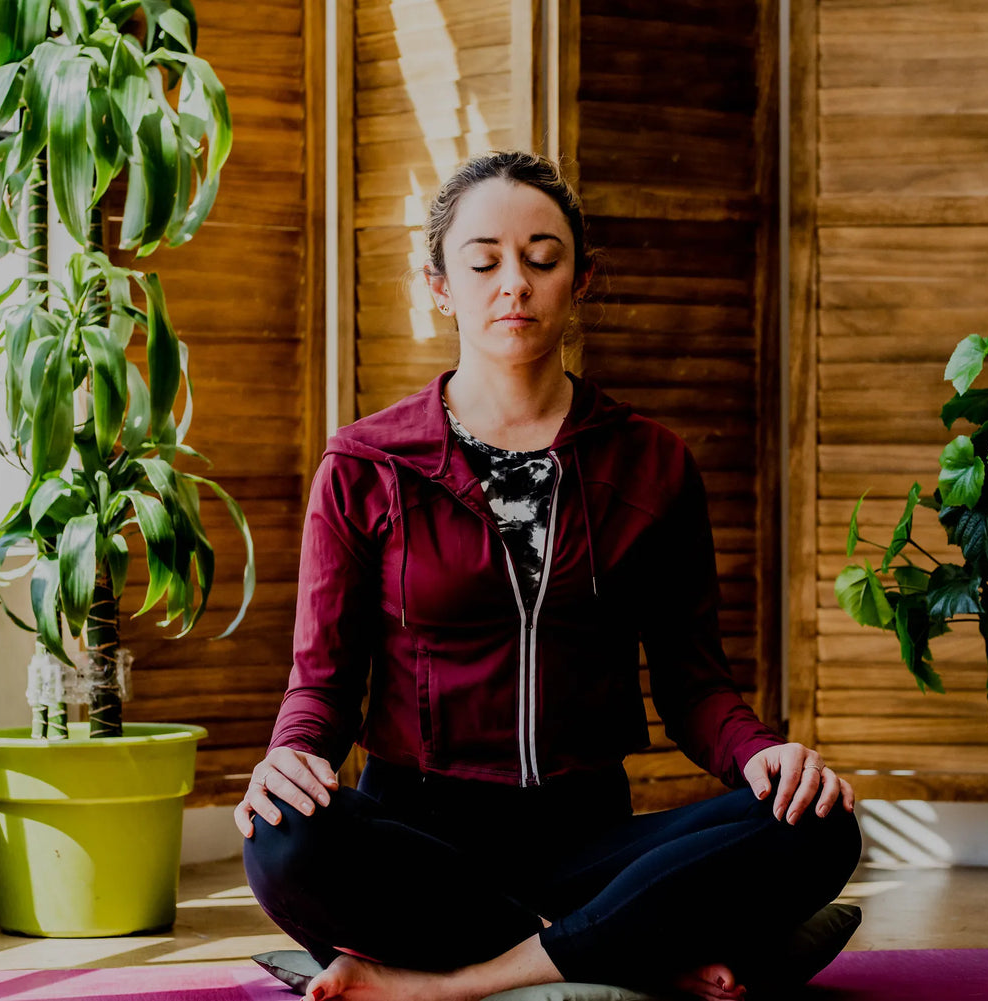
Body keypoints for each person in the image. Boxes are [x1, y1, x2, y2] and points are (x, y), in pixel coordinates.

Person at [237, 150, 861, 1001]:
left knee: (819, 826)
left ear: (581, 280)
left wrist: (767, 756)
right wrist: (289, 757)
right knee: (284, 841)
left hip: (588, 839)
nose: (514, 285)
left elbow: (694, 685)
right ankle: (622, 947)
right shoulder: (365, 464)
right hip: (418, 838)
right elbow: (324, 681)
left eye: (542, 258)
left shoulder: (652, 462)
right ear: (439, 286)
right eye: (484, 260)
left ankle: (454, 981)